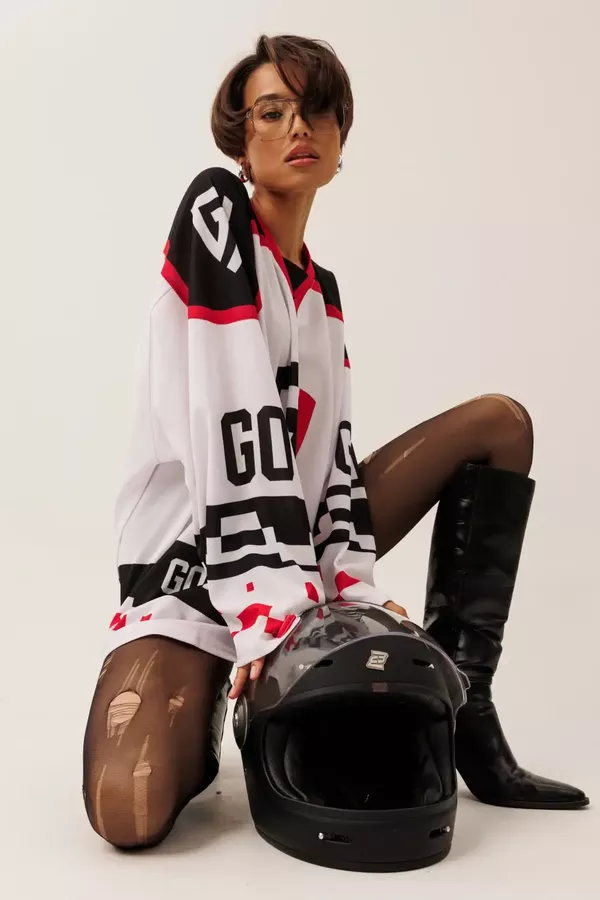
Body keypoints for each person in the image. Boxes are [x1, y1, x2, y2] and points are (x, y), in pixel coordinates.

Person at [83, 34, 588, 850]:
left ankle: (470, 710)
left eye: (316, 110)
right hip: (194, 575)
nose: (297, 127)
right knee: (127, 810)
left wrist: (348, 589)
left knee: (500, 426)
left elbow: (334, 466)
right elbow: (235, 422)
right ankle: (226, 697)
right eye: (271, 111)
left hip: (300, 556)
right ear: (240, 138)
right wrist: (271, 616)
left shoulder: (323, 295)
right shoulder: (216, 214)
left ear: (340, 135)